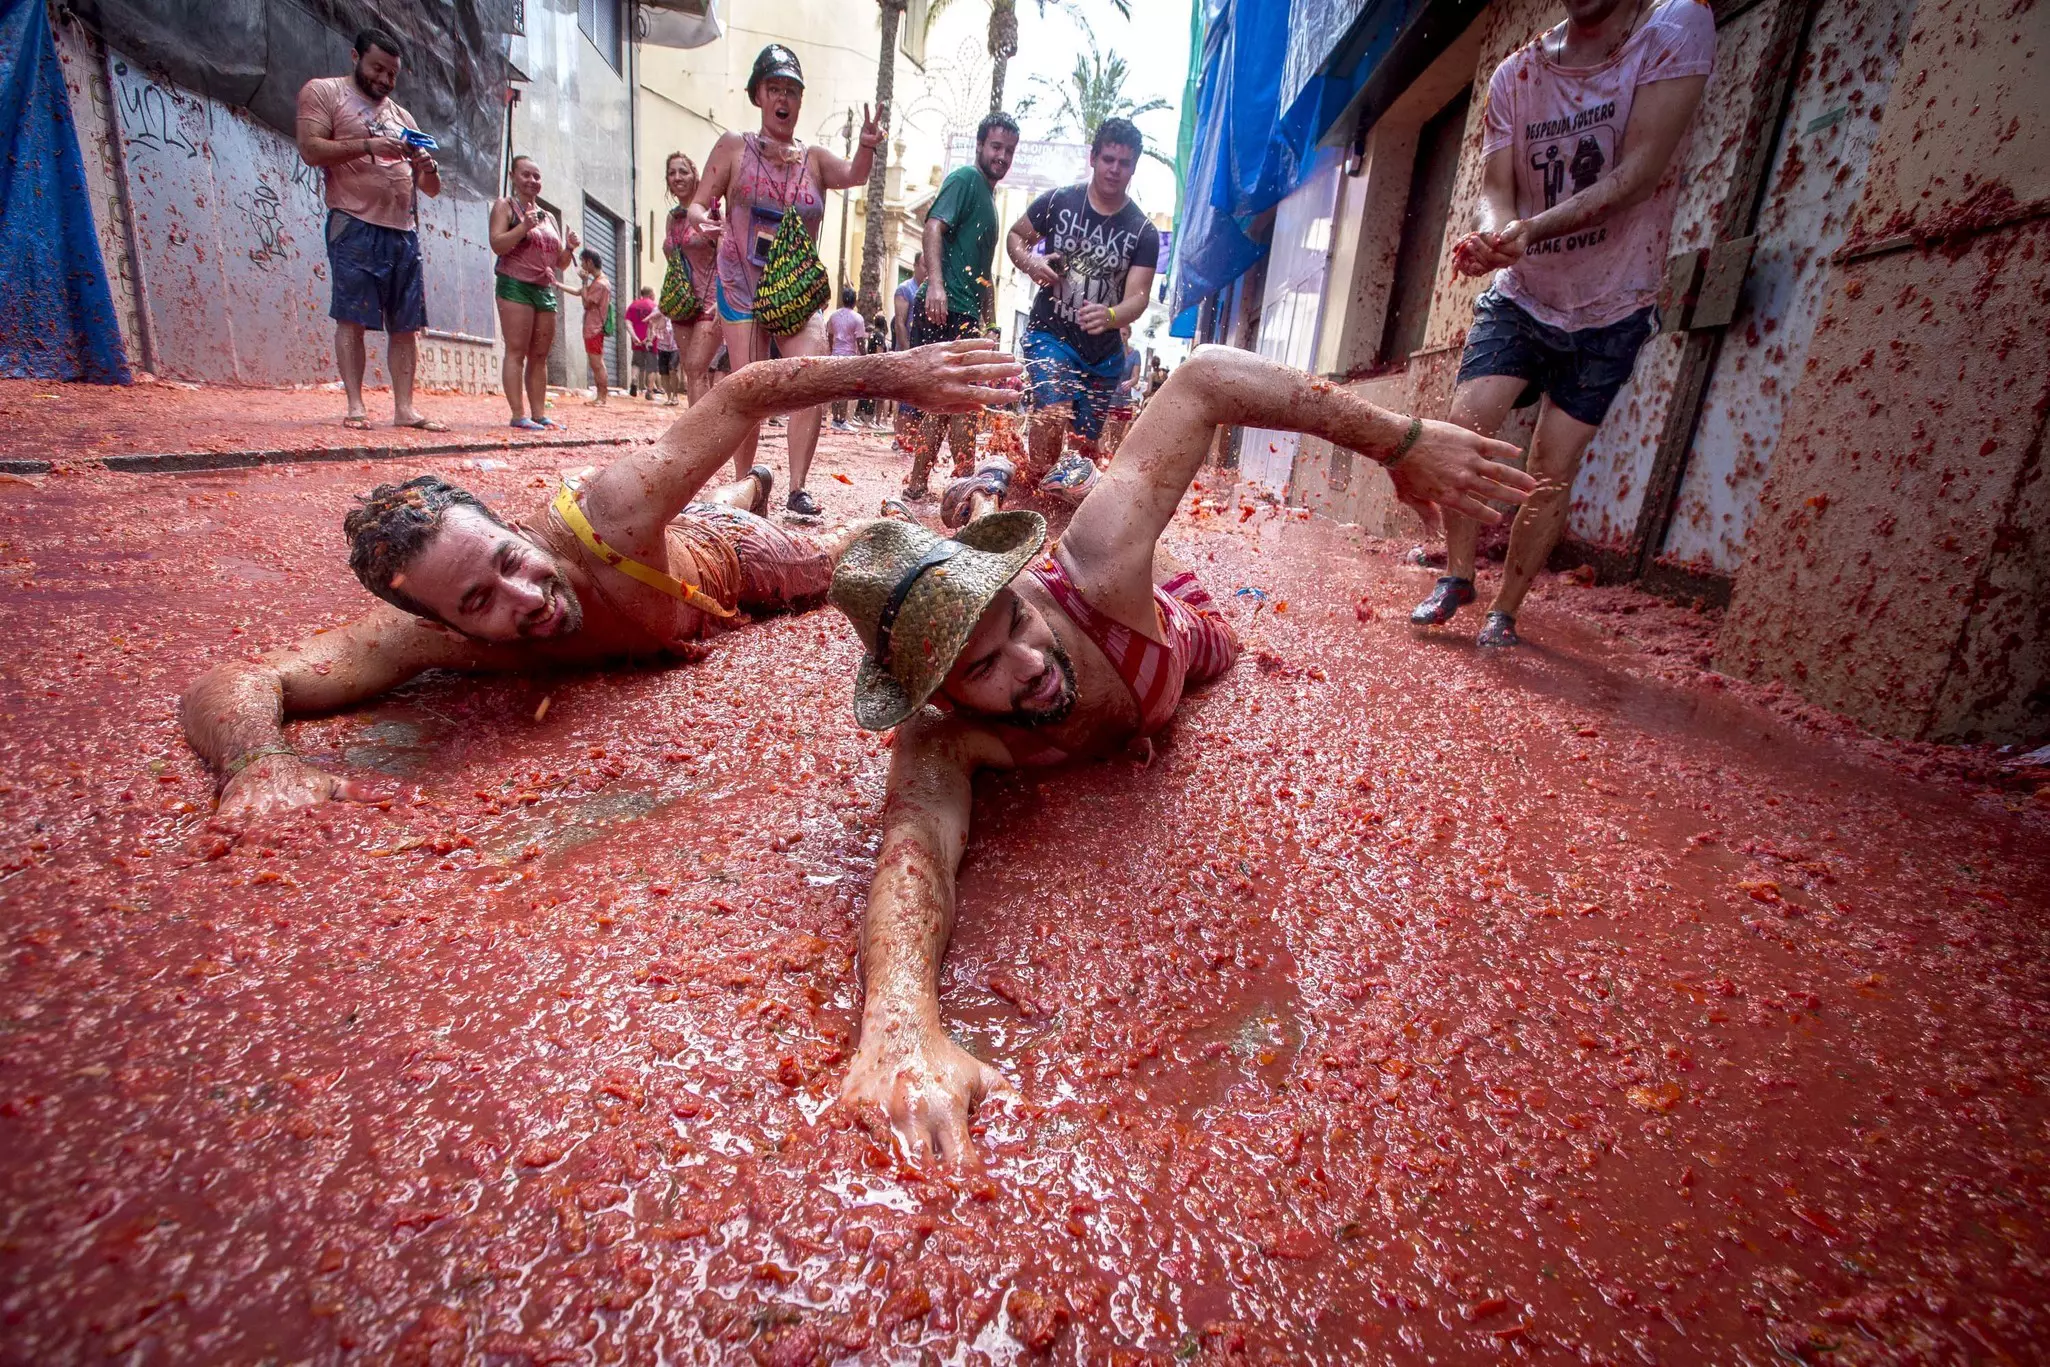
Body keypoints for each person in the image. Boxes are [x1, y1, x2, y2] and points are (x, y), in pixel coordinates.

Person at [823, 344, 1537, 1164]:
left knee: (1170, 577)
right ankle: (1017, 490)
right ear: (944, 698)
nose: (1029, 662)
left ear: (1016, 589)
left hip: (1177, 619)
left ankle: (1058, 491)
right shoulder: (944, 735)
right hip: (1116, 625)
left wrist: (1400, 442)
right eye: (984, 669)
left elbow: (1203, 381)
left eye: (1015, 620)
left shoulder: (1094, 568)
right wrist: (900, 1027)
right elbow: (913, 854)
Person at [178, 342, 1021, 822]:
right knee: (695, 511)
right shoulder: (420, 638)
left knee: (838, 557)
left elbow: (741, 395)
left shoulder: (608, 510)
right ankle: (745, 487)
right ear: (442, 623)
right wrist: (256, 762)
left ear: (511, 527)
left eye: (510, 560)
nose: (526, 597)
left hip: (725, 561)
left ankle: (815, 497)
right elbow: (237, 679)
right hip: (666, 545)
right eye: (479, 602)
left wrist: (895, 374)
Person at [1412, 0, 1714, 647]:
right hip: (1522, 297)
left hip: (1614, 306)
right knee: (1465, 425)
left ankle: (1506, 610)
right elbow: (1497, 191)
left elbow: (1640, 174)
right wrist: (1495, 237)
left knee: (1550, 468)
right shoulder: (1515, 76)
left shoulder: (1675, 27)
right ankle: (1458, 575)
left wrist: (1532, 230)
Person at [690, 45, 883, 518]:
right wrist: (702, 221)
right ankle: (746, 488)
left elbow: (854, 175)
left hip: (795, 292)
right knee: (750, 386)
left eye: (791, 91)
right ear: (758, 94)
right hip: (742, 287)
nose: (783, 98)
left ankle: (797, 488)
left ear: (800, 100)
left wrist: (866, 146)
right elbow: (697, 202)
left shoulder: (813, 159)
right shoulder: (734, 147)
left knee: (810, 378)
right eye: (774, 88)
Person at [294, 28, 446, 433]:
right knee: (352, 318)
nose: (384, 79)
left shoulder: (402, 117)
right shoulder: (325, 92)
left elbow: (431, 189)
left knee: (407, 326)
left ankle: (405, 409)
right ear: (355, 56)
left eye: (392, 73)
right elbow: (310, 148)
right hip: (354, 222)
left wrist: (427, 167)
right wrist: (368, 145)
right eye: (378, 68)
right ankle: (356, 406)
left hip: (404, 231)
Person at [1005, 117, 1157, 487]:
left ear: (1134, 168)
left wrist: (1111, 315)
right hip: (1050, 333)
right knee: (1052, 411)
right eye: (1108, 159)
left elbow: (1139, 297)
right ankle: (1036, 494)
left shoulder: (1143, 231)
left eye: (1124, 163)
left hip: (1103, 355)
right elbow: (1015, 237)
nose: (1114, 169)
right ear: (1093, 158)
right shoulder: (1059, 201)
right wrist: (1031, 263)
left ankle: (1065, 503)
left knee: (1084, 447)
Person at [906, 112, 1020, 499]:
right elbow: (933, 226)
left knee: (949, 401)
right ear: (980, 145)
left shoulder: (989, 199)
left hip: (966, 311)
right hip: (945, 306)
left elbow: (985, 274)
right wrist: (936, 285)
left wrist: (991, 323)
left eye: (1009, 150)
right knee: (960, 400)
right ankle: (963, 483)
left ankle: (922, 484)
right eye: (996, 147)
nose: (1002, 156)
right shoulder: (966, 179)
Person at [487, 155, 578, 430]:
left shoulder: (548, 216)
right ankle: (518, 414)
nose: (532, 180)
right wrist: (523, 227)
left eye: (536, 176)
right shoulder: (505, 206)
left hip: (544, 289)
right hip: (515, 284)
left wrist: (569, 248)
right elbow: (497, 244)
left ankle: (539, 414)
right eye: (525, 174)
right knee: (516, 350)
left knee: (540, 355)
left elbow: (560, 263)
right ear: (513, 176)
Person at [660, 151, 723, 410]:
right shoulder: (672, 218)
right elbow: (674, 262)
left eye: (683, 171)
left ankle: (702, 432)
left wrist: (724, 296)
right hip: (682, 303)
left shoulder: (711, 213)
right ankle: (702, 428)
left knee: (697, 368)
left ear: (695, 176)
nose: (677, 177)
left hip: (710, 302)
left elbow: (728, 256)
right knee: (692, 371)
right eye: (672, 173)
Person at [575, 249, 614, 406]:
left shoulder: (599, 284)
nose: (582, 266)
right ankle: (601, 397)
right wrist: (557, 284)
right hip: (595, 327)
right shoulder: (601, 281)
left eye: (583, 262)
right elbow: (580, 293)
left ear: (589, 262)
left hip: (594, 328)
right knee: (597, 363)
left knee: (597, 364)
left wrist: (584, 282)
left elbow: (586, 303)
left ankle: (601, 398)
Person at [891, 254, 922, 451]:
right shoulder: (905, 289)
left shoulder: (929, 289)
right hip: (908, 352)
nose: (928, 270)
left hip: (923, 352)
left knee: (918, 399)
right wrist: (907, 351)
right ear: (915, 265)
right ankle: (900, 438)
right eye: (924, 265)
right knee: (906, 399)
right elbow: (900, 323)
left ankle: (912, 439)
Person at [826, 287, 867, 429]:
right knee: (845, 389)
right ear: (855, 301)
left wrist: (831, 350)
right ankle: (842, 420)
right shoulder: (858, 318)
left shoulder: (833, 316)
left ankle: (835, 419)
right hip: (849, 357)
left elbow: (829, 335)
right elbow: (860, 341)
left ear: (842, 299)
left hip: (835, 356)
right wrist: (865, 357)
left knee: (835, 388)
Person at [1097, 333, 1143, 457]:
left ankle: (1112, 460)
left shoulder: (1135, 354)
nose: (1122, 337)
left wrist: (1131, 382)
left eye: (1124, 334)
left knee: (1117, 435)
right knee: (1103, 430)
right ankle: (1100, 459)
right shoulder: (1109, 351)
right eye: (1119, 334)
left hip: (1124, 399)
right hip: (1108, 397)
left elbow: (1136, 377)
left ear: (1129, 335)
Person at [626, 286, 659, 399]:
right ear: (651, 294)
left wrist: (634, 336)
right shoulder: (654, 306)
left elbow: (627, 322)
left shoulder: (633, 305)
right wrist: (648, 339)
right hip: (650, 340)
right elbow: (655, 325)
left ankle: (634, 380)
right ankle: (649, 392)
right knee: (651, 366)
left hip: (637, 340)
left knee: (636, 363)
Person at [650, 305, 681, 405]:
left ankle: (675, 396)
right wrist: (649, 339)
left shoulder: (677, 308)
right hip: (662, 346)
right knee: (664, 373)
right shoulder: (656, 310)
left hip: (675, 346)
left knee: (672, 369)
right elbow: (651, 325)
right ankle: (669, 397)